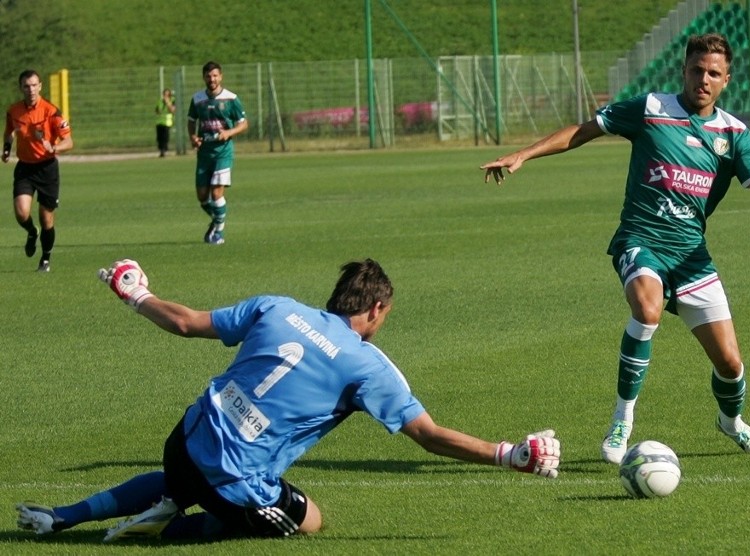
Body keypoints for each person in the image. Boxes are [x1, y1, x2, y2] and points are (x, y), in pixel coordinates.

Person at [16, 258, 560, 542]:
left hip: (182, 441)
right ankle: (164, 527)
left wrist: (134, 291)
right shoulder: (367, 365)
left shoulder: (276, 307)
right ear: (373, 311)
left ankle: (66, 515)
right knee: (312, 520)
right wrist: (509, 453)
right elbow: (429, 436)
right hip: (235, 482)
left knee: (185, 476)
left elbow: (184, 323)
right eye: (384, 317)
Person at [480, 33, 750, 464]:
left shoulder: (733, 133)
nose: (703, 78)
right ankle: (622, 419)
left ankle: (731, 422)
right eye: (697, 69)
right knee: (647, 310)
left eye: (713, 73)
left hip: (690, 256)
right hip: (640, 240)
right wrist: (522, 155)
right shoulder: (652, 109)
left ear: (726, 80)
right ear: (684, 70)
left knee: (731, 365)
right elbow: (584, 130)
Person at [2, 69, 74, 272]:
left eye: (34, 85)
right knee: (21, 213)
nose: (31, 89)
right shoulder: (14, 111)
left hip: (47, 168)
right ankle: (31, 232)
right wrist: (6, 149)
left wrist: (55, 147)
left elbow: (69, 141)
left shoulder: (51, 111)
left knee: (46, 218)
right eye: (26, 86)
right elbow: (9, 133)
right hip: (24, 167)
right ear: (21, 88)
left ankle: (45, 258)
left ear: (40, 86)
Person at [187, 61, 248, 245]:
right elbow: (191, 120)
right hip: (204, 153)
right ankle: (217, 221)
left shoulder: (231, 99)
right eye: (208, 76)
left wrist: (228, 133)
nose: (211, 79)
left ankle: (218, 233)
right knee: (202, 197)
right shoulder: (197, 99)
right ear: (204, 77)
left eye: (215, 75)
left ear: (221, 76)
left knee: (216, 194)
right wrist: (193, 137)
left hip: (223, 152)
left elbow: (244, 123)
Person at [155, 88, 176, 157]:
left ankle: (164, 150)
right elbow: (157, 111)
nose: (165, 96)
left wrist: (167, 103)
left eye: (167, 95)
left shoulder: (172, 101)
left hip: (167, 122)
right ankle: (161, 150)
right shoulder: (160, 101)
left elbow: (172, 110)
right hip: (159, 122)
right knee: (159, 138)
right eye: (164, 94)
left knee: (165, 137)